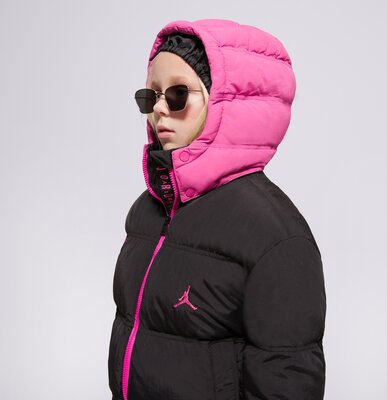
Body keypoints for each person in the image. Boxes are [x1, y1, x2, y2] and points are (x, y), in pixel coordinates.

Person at [108, 18, 327, 400]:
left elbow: (286, 381)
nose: (159, 109)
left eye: (177, 94)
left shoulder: (275, 236)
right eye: (150, 96)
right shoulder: (147, 210)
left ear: (228, 102)